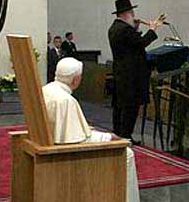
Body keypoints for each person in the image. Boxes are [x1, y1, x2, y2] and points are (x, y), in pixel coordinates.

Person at [42, 57, 140, 202]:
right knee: (127, 153)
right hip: (65, 153)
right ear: (76, 80)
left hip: (49, 142)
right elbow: (77, 141)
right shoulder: (66, 101)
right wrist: (108, 137)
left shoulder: (47, 88)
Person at [108, 0, 162, 144]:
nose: (134, 15)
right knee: (130, 106)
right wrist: (152, 29)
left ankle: (120, 133)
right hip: (131, 75)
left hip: (122, 73)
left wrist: (135, 28)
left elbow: (130, 45)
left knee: (121, 106)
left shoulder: (115, 28)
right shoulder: (124, 30)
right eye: (132, 12)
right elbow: (141, 43)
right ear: (126, 14)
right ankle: (125, 135)